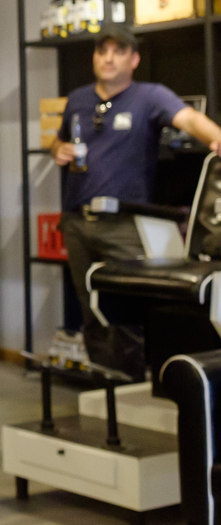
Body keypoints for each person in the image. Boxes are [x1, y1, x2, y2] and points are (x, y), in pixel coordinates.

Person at [51, 27, 221, 380]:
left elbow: (189, 119)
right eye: (102, 51)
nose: (108, 58)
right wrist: (59, 151)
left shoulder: (150, 96)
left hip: (125, 223)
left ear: (134, 59)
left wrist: (216, 138)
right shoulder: (78, 99)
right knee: (91, 309)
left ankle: (130, 386)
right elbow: (58, 141)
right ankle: (102, 389)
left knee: (124, 311)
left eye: (118, 51)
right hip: (77, 222)